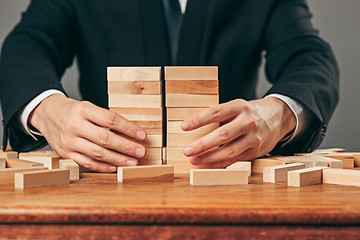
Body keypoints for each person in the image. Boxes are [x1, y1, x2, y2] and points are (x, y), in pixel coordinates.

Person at [0, 0, 339, 172]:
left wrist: (279, 112)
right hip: (108, 181)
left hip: (224, 185)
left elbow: (309, 56)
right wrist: (48, 109)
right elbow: (27, 46)